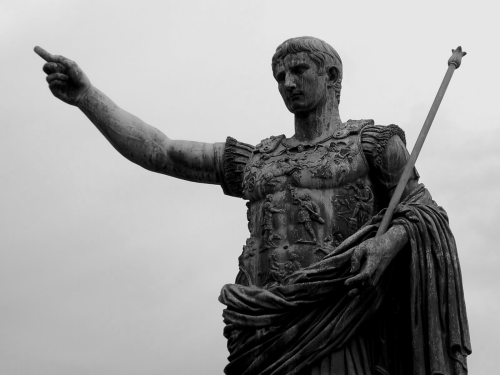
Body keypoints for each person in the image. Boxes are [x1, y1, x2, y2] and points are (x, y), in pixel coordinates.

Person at [35, 36, 471, 375]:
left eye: (299, 71)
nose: (288, 84)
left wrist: (386, 244)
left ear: (332, 75)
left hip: (336, 321)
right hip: (260, 326)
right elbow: (163, 152)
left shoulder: (372, 145)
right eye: (280, 76)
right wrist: (87, 98)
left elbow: (423, 212)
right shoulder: (258, 159)